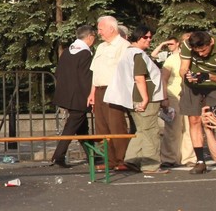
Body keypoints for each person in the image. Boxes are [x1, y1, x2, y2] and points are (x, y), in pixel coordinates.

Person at [104, 26, 164, 173]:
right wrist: (145, 99)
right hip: (145, 99)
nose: (149, 40)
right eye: (145, 37)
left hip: (134, 98)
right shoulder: (138, 54)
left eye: (150, 37)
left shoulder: (128, 53)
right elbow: (139, 78)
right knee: (150, 131)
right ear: (137, 37)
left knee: (141, 130)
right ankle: (151, 165)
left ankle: (132, 159)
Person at [179, 30, 216, 174]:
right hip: (192, 86)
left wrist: (208, 76)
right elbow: (183, 68)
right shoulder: (187, 45)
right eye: (197, 52)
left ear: (210, 42)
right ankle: (200, 161)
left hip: (214, 85)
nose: (201, 55)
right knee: (194, 120)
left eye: (203, 50)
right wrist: (187, 76)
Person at [87, 15, 131, 172]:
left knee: (116, 125)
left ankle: (122, 159)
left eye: (101, 29)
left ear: (111, 28)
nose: (99, 33)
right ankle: (110, 160)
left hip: (114, 89)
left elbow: (126, 71)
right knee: (102, 126)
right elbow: (95, 71)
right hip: (99, 89)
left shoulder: (124, 46)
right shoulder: (101, 47)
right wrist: (92, 92)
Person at [50, 25, 96, 167]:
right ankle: (58, 156)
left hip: (66, 94)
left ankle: (92, 156)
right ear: (89, 37)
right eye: (94, 37)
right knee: (71, 127)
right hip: (80, 97)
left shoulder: (67, 52)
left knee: (82, 128)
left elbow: (59, 73)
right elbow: (86, 78)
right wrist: (90, 95)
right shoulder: (85, 54)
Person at [151, 32, 193, 168]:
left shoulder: (197, 58)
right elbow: (163, 78)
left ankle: (189, 158)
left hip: (192, 96)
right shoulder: (172, 59)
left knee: (190, 127)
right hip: (174, 94)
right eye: (185, 41)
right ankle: (169, 157)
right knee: (173, 128)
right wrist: (164, 97)